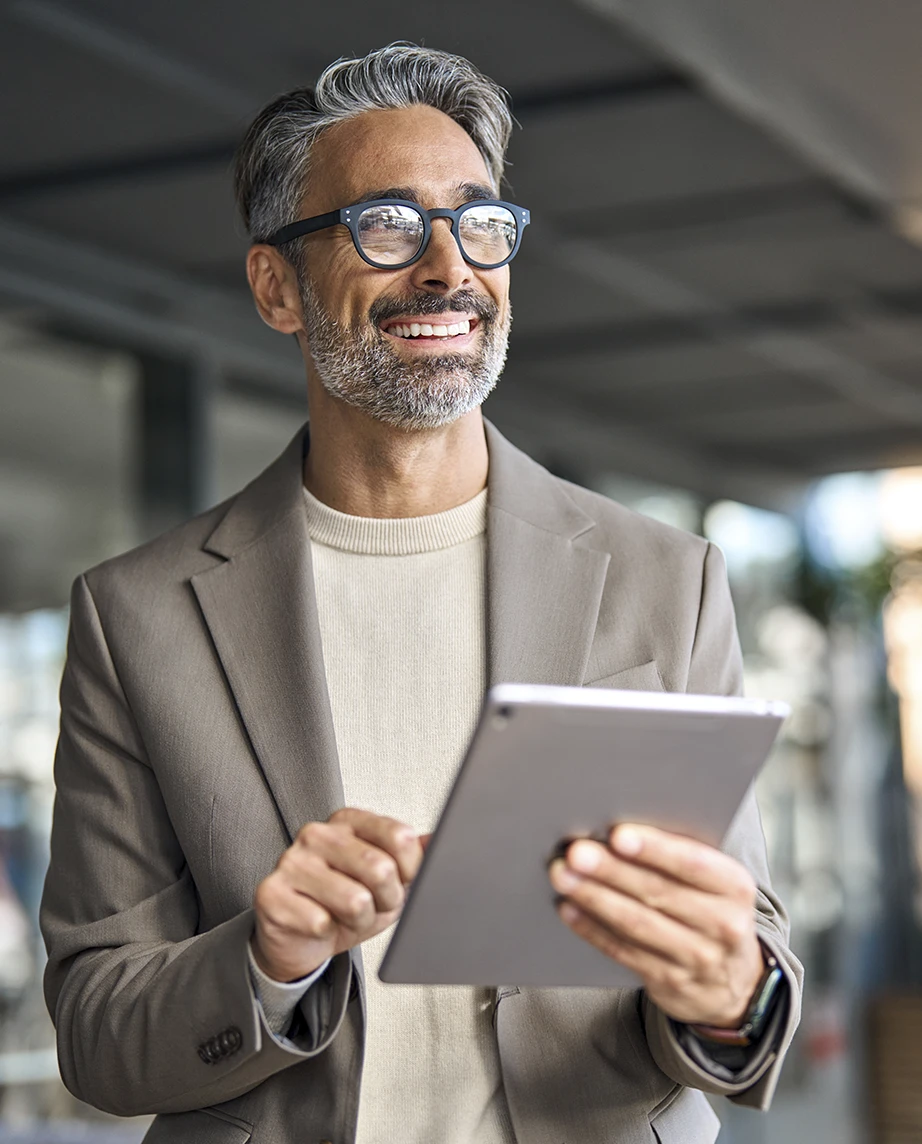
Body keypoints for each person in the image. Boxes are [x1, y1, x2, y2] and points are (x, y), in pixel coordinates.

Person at [41, 44, 802, 1144]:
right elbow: (96, 1031)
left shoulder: (664, 579)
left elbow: (749, 949)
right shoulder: (137, 617)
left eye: (479, 223)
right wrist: (266, 957)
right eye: (387, 225)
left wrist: (732, 990)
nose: (449, 268)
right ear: (275, 287)